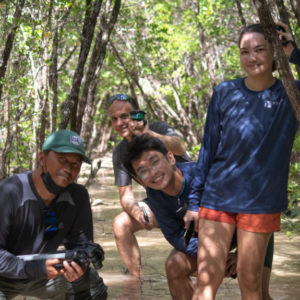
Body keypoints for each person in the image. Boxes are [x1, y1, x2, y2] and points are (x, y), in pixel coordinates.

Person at [187, 22, 300, 300]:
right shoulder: (225, 92)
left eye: (260, 49)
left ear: (274, 52)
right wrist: (193, 202)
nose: (252, 57)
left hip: (261, 202)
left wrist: (294, 52)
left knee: (250, 282)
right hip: (217, 197)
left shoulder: (291, 93)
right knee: (206, 279)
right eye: (245, 51)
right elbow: (208, 149)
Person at [123, 134, 274, 300]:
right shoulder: (154, 194)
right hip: (209, 243)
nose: (153, 173)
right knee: (174, 266)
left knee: (258, 292)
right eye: (143, 171)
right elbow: (175, 235)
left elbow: (255, 213)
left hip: (248, 233)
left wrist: (240, 254)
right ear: (140, 180)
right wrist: (214, 256)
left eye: (155, 162)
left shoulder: (204, 175)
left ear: (171, 158)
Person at [0, 129, 107, 299]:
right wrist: (37, 269)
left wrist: (79, 268)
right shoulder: (10, 192)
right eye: (62, 159)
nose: (68, 169)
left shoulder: (77, 196)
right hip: (5, 276)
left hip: (44, 277)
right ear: (42, 158)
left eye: (75, 164)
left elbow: (81, 245)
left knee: (92, 285)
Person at [107, 93, 190, 278]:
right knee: (121, 223)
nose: (120, 123)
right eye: (114, 119)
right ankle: (137, 283)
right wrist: (136, 211)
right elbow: (125, 195)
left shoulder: (158, 128)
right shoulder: (120, 153)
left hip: (192, 198)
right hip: (162, 205)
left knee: (190, 259)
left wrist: (148, 134)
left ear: (137, 115)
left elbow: (180, 147)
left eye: (125, 116)